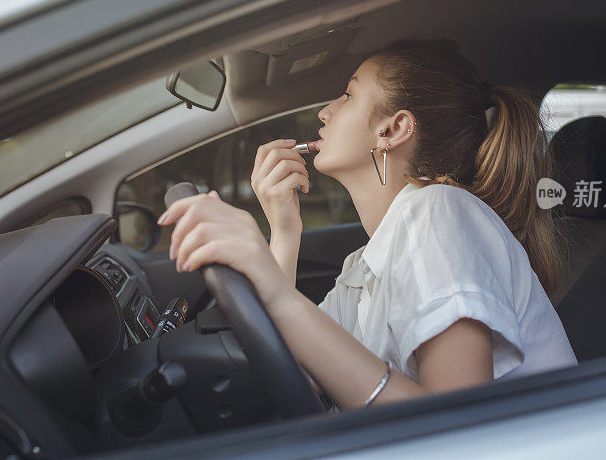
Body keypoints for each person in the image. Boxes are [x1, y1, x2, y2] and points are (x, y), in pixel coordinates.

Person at [157, 38, 578, 412]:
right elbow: (299, 373)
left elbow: (454, 430)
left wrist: (269, 284)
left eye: (346, 95)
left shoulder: (439, 214)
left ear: (392, 130)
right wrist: (284, 234)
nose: (324, 112)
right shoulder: (363, 266)